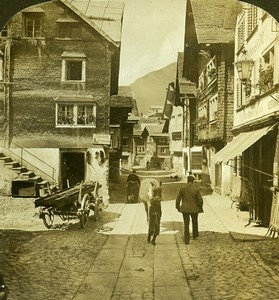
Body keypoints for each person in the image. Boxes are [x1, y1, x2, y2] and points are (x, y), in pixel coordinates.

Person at [176, 175, 203, 245]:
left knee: (186, 223)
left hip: (185, 209)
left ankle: (186, 239)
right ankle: (195, 235)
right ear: (193, 181)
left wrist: (177, 207)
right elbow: (200, 199)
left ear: (187, 181)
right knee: (194, 221)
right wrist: (200, 206)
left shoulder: (182, 188)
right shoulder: (196, 189)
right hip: (194, 208)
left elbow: (178, 198)